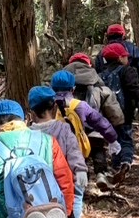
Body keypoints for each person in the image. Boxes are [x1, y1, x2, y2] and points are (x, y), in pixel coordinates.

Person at [28, 83, 90, 218]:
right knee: (67, 211)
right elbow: (74, 150)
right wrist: (80, 169)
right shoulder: (63, 128)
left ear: (31, 112)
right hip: (63, 180)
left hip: (38, 183)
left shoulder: (28, 133)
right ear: (54, 107)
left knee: (42, 212)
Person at [50, 70, 121, 204]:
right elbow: (100, 122)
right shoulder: (80, 106)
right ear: (73, 89)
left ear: (52, 87)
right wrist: (113, 139)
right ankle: (77, 205)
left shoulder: (47, 105)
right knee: (78, 180)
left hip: (53, 150)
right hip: (77, 150)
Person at [66, 53, 126, 186]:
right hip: (94, 127)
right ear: (89, 64)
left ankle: (81, 182)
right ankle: (101, 174)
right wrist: (118, 122)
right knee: (98, 149)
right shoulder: (96, 81)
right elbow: (110, 105)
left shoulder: (63, 80)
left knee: (77, 154)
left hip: (71, 129)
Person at [97, 42, 139, 174]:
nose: (128, 59)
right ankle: (126, 161)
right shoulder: (127, 71)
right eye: (126, 56)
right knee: (126, 139)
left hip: (107, 114)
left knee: (113, 139)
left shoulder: (100, 75)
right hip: (125, 112)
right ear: (120, 58)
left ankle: (115, 165)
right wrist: (137, 103)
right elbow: (133, 90)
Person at [99, 24, 139, 107]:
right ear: (122, 34)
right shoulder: (132, 48)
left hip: (108, 94)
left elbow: (98, 70)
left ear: (108, 35)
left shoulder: (102, 52)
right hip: (130, 88)